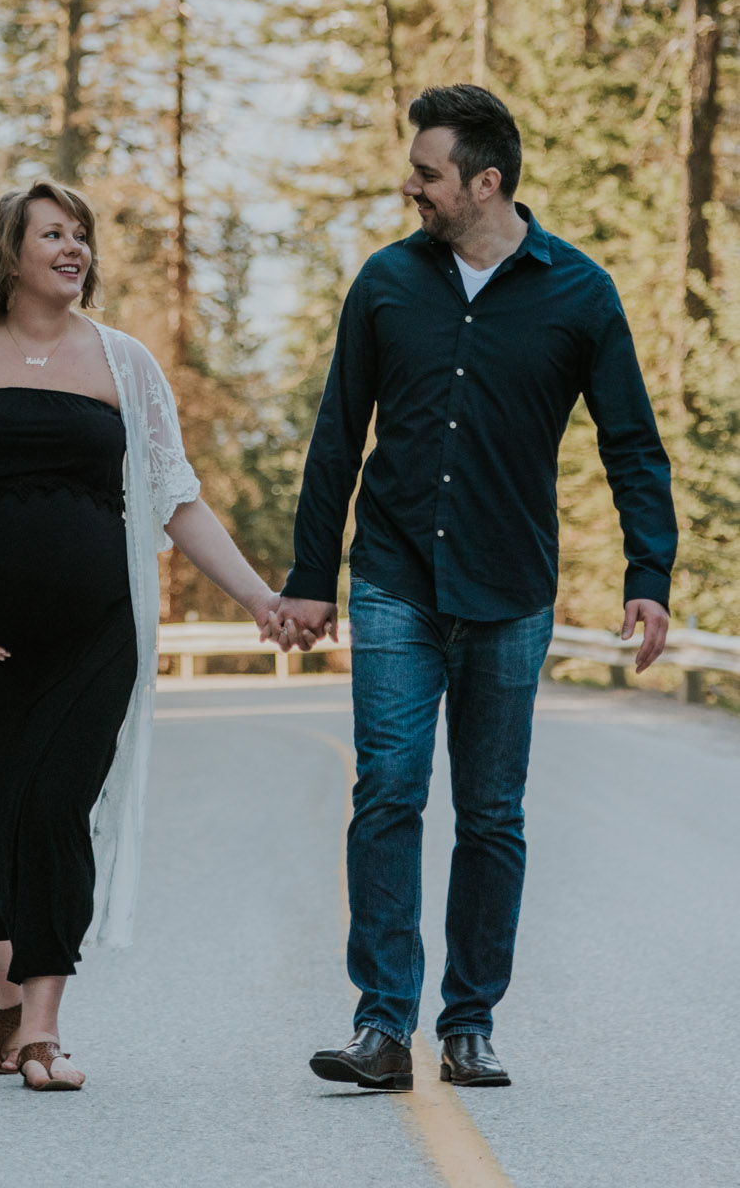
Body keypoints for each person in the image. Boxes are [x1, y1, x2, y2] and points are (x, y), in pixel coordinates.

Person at [279, 85, 675, 1091]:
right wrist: (308, 576)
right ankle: (379, 1024)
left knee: (491, 811)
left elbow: (629, 440)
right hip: (394, 578)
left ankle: (467, 1023)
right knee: (388, 792)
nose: (408, 184)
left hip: (508, 588)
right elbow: (336, 435)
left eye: (425, 171)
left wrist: (646, 571)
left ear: (483, 180)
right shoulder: (383, 283)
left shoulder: (577, 292)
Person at [0, 178, 282, 1092]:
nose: (74, 249)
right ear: (7, 254)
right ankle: (5, 981)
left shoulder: (124, 363)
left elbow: (176, 498)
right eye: (53, 234)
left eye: (81, 236)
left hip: (93, 633)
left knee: (55, 806)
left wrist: (258, 597)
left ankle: (43, 1031)